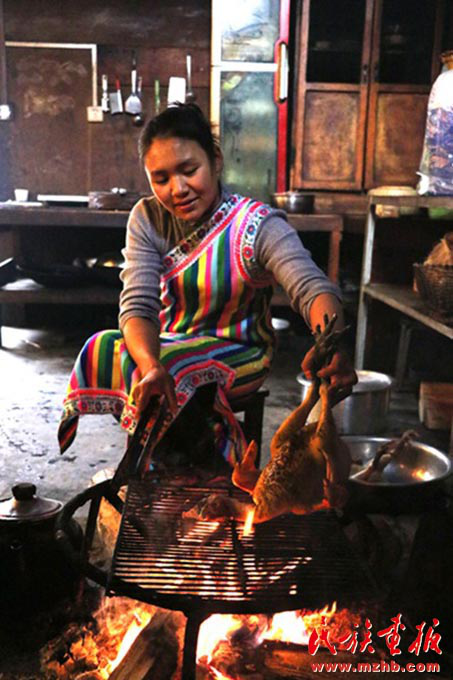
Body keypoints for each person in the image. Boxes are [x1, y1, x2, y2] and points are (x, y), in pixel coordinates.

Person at [58, 103, 356, 468]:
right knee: (102, 346)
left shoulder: (256, 225)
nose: (178, 189)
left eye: (189, 171)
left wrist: (331, 344)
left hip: (242, 352)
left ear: (215, 161)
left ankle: (203, 469)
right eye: (161, 179)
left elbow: (312, 288)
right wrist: (150, 366)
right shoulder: (147, 218)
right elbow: (138, 306)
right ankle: (163, 467)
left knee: (176, 368)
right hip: (171, 344)